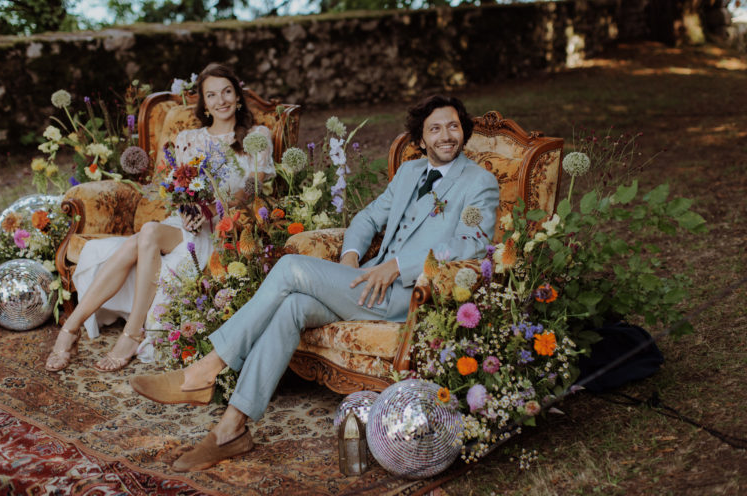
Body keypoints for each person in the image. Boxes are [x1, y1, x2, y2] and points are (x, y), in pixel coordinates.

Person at [129, 95, 500, 471]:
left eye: (453, 126)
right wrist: (350, 256)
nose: (446, 135)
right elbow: (368, 218)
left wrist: (399, 266)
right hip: (365, 281)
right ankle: (231, 431)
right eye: (435, 128)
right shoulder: (409, 173)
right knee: (291, 307)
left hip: (407, 295)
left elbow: (473, 245)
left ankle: (205, 370)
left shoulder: (479, 182)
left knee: (291, 268)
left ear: (463, 130)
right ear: (421, 138)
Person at [45, 63, 275, 373]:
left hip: (222, 227)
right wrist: (188, 210)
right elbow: (181, 188)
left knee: (143, 237)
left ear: (237, 96)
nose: (220, 100)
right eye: (212, 95)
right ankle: (86, 329)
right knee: (151, 231)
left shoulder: (257, 136)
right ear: (204, 103)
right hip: (186, 225)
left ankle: (90, 330)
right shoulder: (189, 138)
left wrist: (213, 209)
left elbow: (253, 186)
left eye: (226, 92)